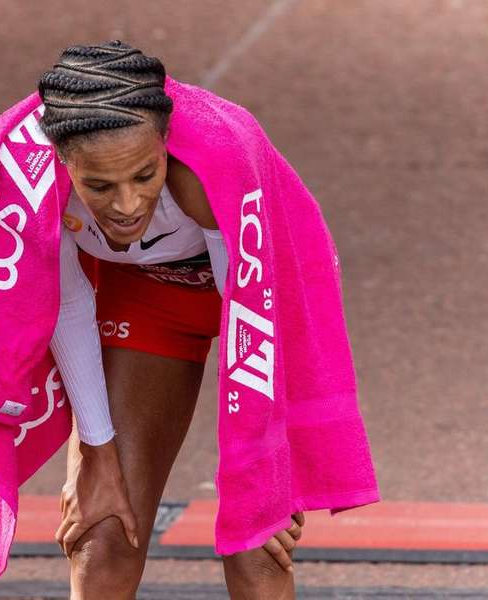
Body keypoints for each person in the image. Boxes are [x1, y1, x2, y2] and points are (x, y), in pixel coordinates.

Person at [39, 40, 305, 599]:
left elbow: (253, 317)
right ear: (63, 165)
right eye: (99, 186)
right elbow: (67, 305)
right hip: (148, 299)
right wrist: (95, 456)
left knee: (258, 543)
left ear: (166, 145)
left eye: (143, 175)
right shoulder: (36, 186)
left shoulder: (207, 177)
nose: (128, 205)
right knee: (103, 533)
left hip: (254, 301)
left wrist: (272, 462)